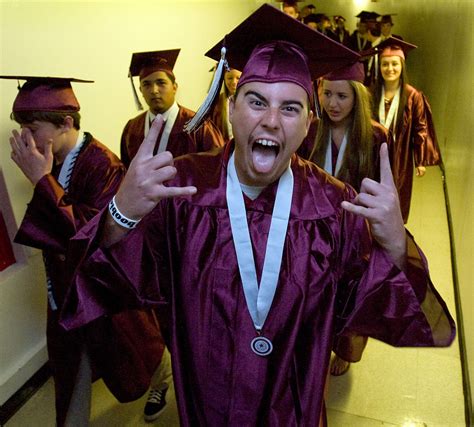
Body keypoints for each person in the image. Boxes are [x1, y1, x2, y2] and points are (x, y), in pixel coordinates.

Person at [61, 5, 455, 425]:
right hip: (206, 405)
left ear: (309, 124)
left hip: (295, 407)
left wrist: (395, 243)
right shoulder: (182, 193)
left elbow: (389, 312)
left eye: (290, 108)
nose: (270, 121)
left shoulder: (333, 207)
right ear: (230, 110)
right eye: (256, 101)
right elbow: (99, 284)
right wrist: (121, 212)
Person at [1, 76, 163, 426]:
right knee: (70, 375)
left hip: (103, 296)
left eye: (32, 127)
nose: (25, 139)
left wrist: (42, 183)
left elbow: (91, 238)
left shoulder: (101, 164)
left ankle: (165, 375)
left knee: (140, 355)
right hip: (66, 294)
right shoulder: (52, 159)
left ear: (67, 123)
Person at [309, 61, 391, 375]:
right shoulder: (313, 130)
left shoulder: (375, 135)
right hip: (316, 231)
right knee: (317, 296)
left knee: (352, 298)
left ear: (357, 97)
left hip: (358, 234)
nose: (332, 103)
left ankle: (344, 350)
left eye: (342, 96)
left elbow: (386, 189)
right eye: (327, 93)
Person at [371, 37, 442, 223]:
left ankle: (393, 230)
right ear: (380, 67)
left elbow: (421, 127)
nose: (390, 69)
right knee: (372, 193)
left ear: (402, 66)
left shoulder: (412, 96)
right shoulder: (372, 93)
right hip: (373, 154)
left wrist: (420, 159)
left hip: (400, 157)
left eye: (394, 64)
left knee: (398, 195)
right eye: (385, 64)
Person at [121, 49, 224, 169]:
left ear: (174, 87)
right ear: (140, 90)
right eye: (146, 84)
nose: (154, 90)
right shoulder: (132, 128)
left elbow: (217, 170)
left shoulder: (198, 125)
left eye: (161, 83)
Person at [211, 68, 242, 142]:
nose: (234, 82)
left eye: (238, 78)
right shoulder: (217, 103)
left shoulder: (251, 102)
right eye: (230, 78)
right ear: (224, 78)